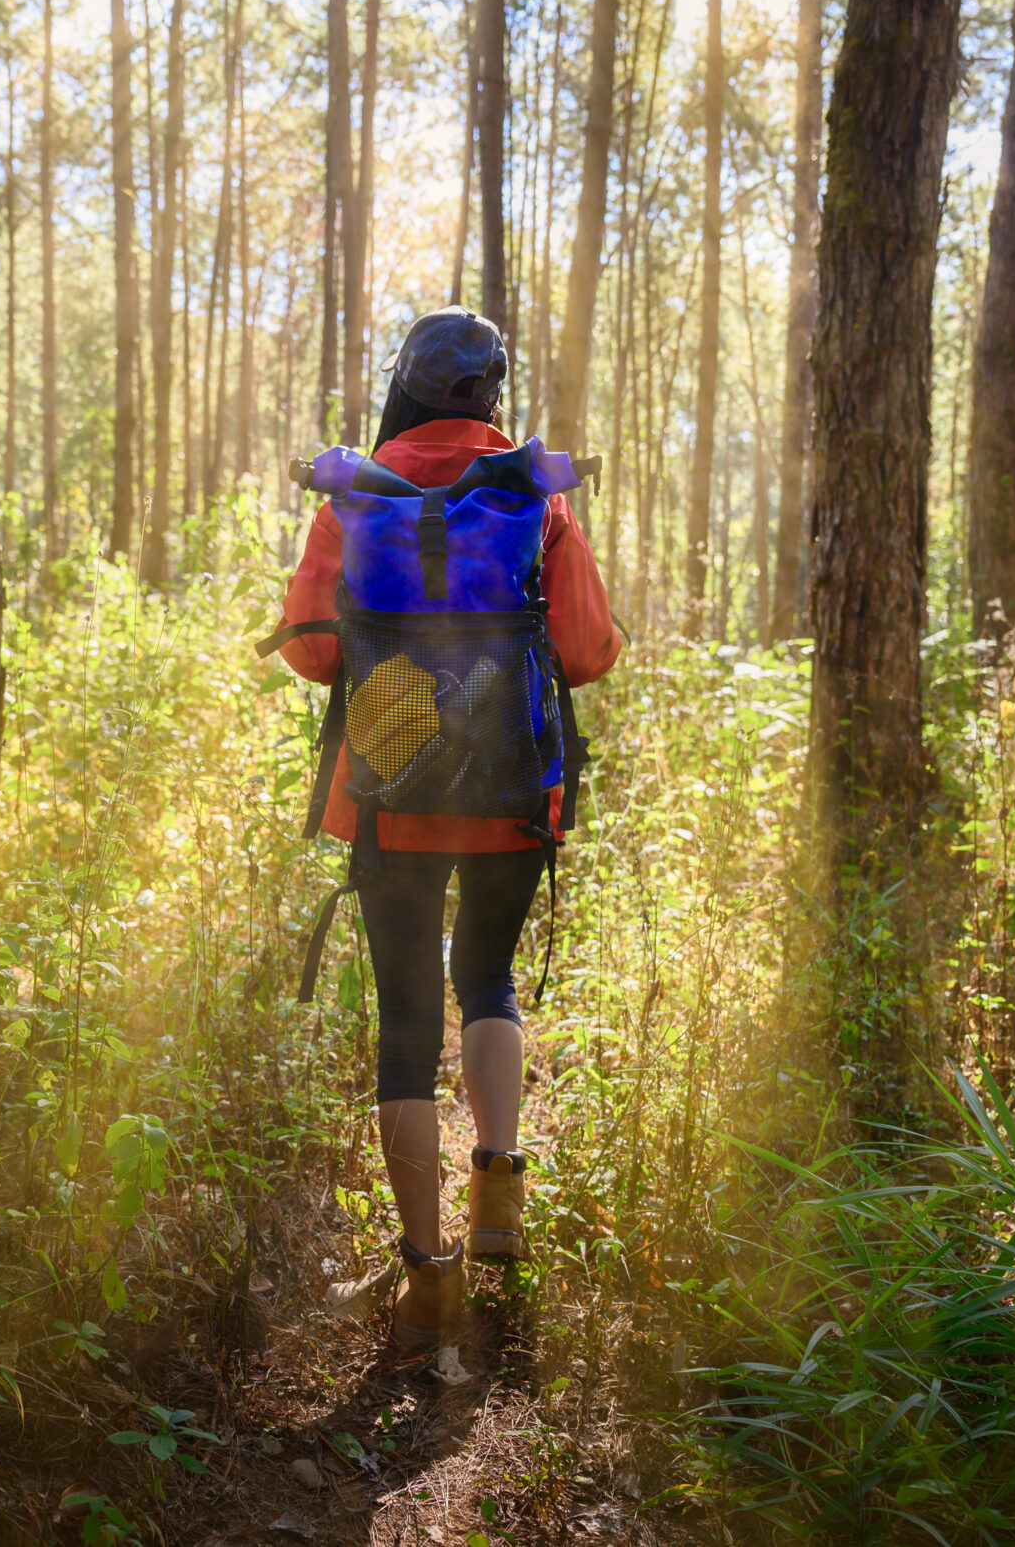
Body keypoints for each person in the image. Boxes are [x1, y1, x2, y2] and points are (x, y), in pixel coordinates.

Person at [274, 308, 621, 1347]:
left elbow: (309, 651)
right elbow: (589, 649)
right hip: (511, 788)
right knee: (490, 978)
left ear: (407, 385)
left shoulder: (355, 491)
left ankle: (427, 1276)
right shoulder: (530, 492)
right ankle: (498, 1193)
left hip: (388, 797)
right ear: (490, 391)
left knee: (402, 1022)